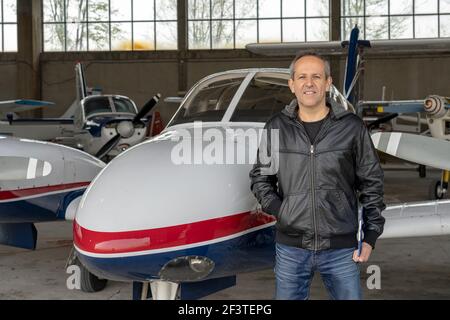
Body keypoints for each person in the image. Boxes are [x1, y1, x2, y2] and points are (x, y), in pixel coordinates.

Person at [249, 52, 386, 300]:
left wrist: (371, 236)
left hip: (341, 248)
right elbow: (261, 178)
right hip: (291, 248)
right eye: (302, 77)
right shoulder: (276, 127)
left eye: (316, 76)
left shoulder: (351, 127)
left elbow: (372, 182)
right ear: (292, 85)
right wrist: (283, 210)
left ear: (327, 83)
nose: (309, 83)